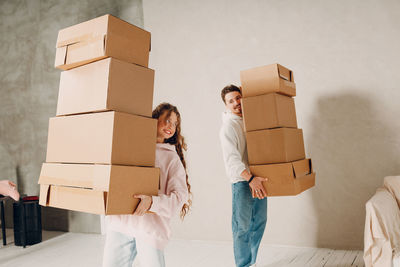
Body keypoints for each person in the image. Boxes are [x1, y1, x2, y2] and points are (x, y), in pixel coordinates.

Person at [103, 103, 191, 267]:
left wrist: (152, 202)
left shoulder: (171, 158)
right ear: (153, 120)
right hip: (120, 223)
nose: (169, 126)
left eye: (174, 123)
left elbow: (180, 197)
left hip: (149, 227)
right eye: (166, 120)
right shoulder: (131, 148)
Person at [219, 84, 268, 267]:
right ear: (226, 106)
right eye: (231, 101)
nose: (236, 103)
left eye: (238, 98)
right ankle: (243, 265)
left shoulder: (251, 121)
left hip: (258, 179)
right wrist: (250, 179)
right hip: (242, 182)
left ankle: (252, 262)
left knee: (259, 223)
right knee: (242, 228)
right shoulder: (228, 127)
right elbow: (232, 160)